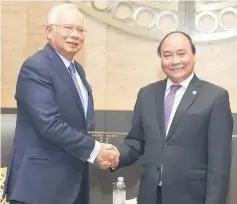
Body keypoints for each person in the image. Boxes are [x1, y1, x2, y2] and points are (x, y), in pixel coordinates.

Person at [3, 3, 119, 204]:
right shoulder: (36, 66)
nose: (75, 34)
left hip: (71, 184)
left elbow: (78, 125)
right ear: (49, 31)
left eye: (80, 29)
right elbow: (49, 124)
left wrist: (98, 150)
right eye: (68, 27)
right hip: (39, 188)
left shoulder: (77, 71)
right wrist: (95, 150)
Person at [105, 31, 233, 204]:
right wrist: (116, 155)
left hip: (192, 197)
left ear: (193, 55)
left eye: (181, 54)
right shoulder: (147, 94)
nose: (175, 61)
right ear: (161, 60)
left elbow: (219, 164)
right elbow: (136, 141)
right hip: (150, 195)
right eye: (167, 55)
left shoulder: (215, 97)